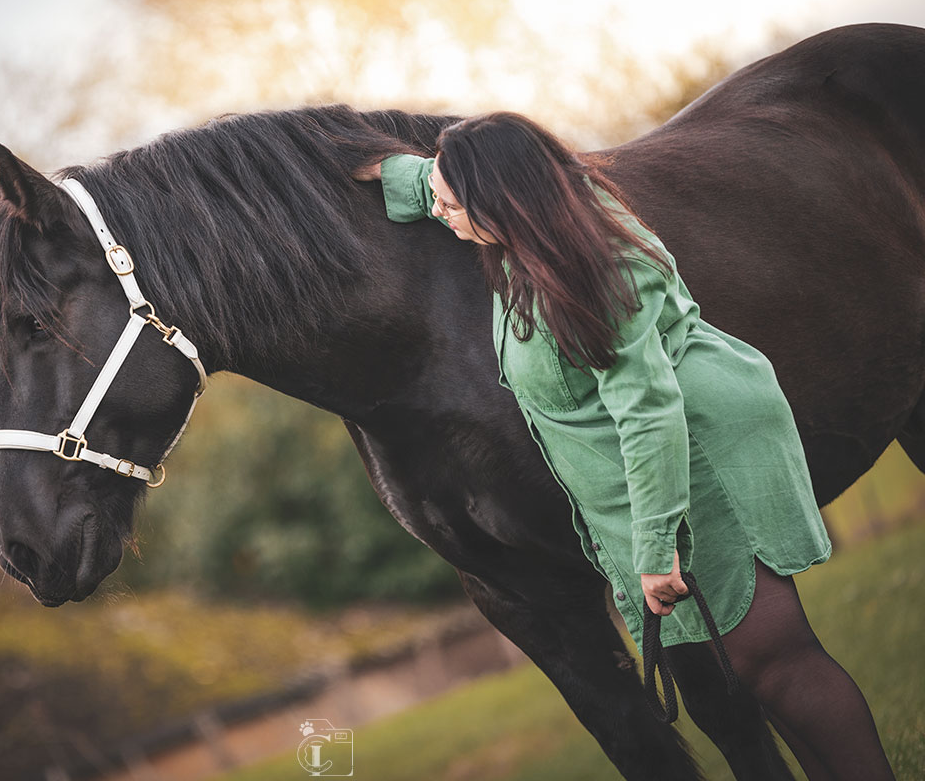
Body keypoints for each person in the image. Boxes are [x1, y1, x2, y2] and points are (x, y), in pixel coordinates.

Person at [354, 111, 894, 780]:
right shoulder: (539, 222)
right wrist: (380, 172)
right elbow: (448, 186)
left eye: (454, 203)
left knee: (776, 661)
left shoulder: (589, 275)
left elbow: (648, 412)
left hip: (700, 452)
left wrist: (656, 544)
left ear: (503, 202)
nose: (441, 213)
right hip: (673, 453)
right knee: (757, 668)